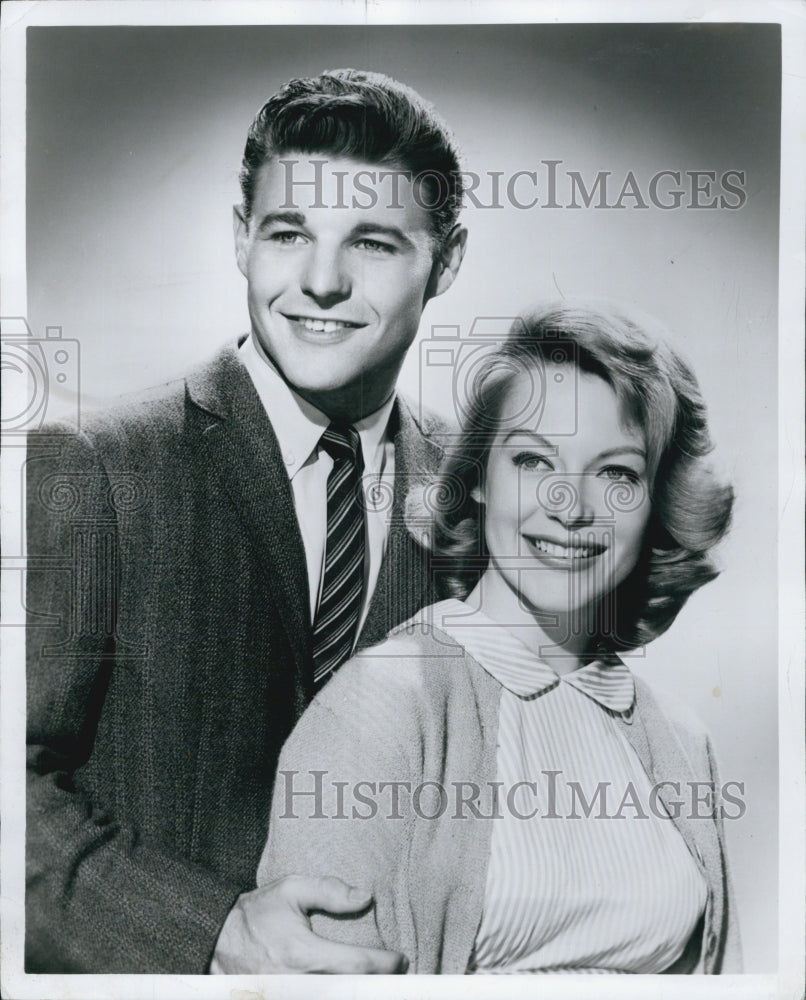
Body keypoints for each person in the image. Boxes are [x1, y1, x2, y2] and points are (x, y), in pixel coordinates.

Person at [25, 68, 467, 973]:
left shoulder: (475, 492)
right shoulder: (98, 465)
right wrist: (211, 931)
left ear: (447, 262)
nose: (320, 281)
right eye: (289, 232)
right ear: (241, 238)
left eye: (374, 243)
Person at [258, 301, 742, 974]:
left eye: (616, 474)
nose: (570, 507)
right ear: (479, 477)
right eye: (535, 461)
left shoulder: (681, 741)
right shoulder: (382, 708)